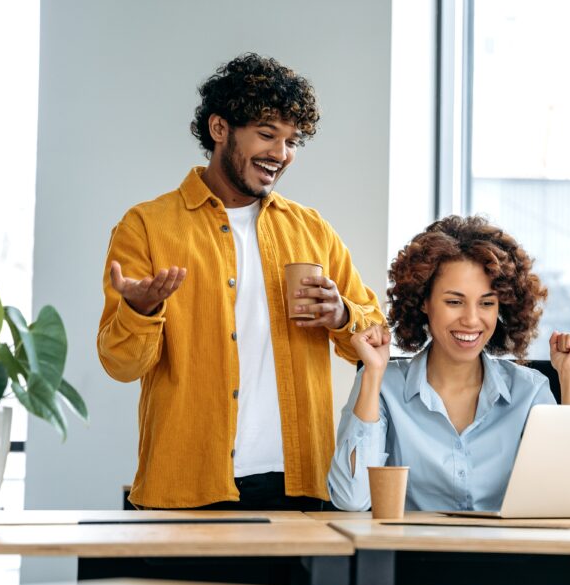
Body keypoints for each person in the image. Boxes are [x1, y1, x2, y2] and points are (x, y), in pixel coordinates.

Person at [98, 53, 384, 511]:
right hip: (186, 487)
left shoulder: (311, 231)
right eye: (268, 134)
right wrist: (142, 310)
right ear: (219, 129)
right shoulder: (147, 227)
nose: (282, 154)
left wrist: (343, 314)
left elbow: (375, 335)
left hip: (301, 488)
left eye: (292, 141)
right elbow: (121, 365)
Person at [327, 214, 570, 513]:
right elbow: (352, 498)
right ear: (423, 301)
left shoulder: (529, 391)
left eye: (487, 303)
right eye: (454, 301)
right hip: (411, 556)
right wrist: (372, 374)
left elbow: (568, 497)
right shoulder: (383, 385)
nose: (472, 319)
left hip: (506, 556)